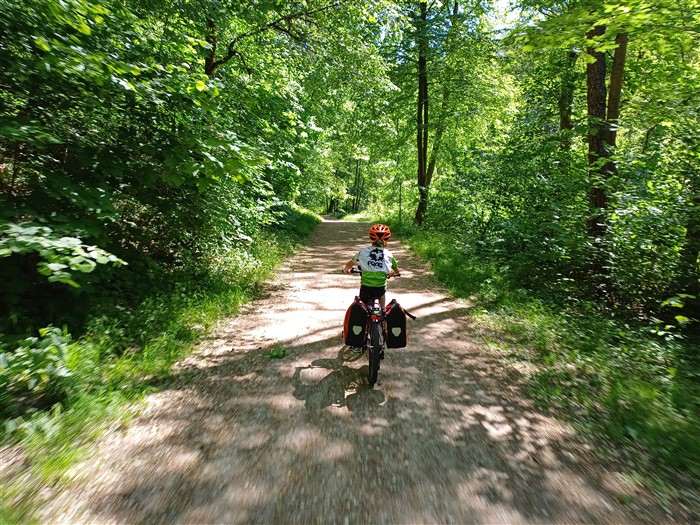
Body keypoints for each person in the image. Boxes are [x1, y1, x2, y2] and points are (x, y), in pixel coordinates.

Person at [343, 223, 400, 309]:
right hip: (380, 288)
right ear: (387, 239)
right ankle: (382, 311)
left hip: (366, 288)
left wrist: (346, 270)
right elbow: (396, 271)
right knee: (382, 294)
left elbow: (350, 263)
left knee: (363, 307)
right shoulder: (389, 255)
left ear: (371, 238)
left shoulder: (362, 252)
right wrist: (392, 273)